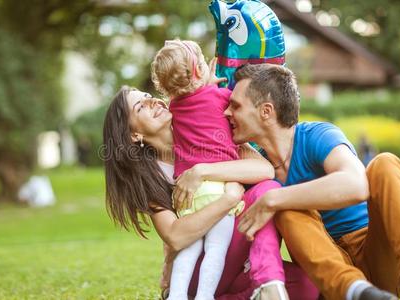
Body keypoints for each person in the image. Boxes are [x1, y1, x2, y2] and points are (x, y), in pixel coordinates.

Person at [102, 86, 319, 299]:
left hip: (237, 256)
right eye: (141, 107)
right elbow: (176, 236)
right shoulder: (150, 176)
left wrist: (202, 171)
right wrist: (229, 199)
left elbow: (264, 169)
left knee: (307, 286)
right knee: (267, 191)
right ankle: (265, 282)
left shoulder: (203, 128)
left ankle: (265, 284)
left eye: (149, 96)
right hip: (198, 266)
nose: (153, 102)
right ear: (134, 135)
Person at [221, 63, 400, 300]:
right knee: (287, 210)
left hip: (376, 251)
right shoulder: (256, 171)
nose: (227, 113)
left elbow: (356, 185)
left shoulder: (316, 136)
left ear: (266, 111)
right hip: (329, 274)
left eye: (235, 106)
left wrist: (274, 198)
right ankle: (357, 292)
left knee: (385, 164)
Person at [150, 39, 288, 300]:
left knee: (189, 253)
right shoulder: (222, 99)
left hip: (191, 197)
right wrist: (212, 87)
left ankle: (176, 295)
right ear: (199, 72)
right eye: (202, 63)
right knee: (216, 250)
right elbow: (225, 105)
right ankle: (205, 296)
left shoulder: (174, 108)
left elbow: (188, 99)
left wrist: (198, 83)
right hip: (219, 191)